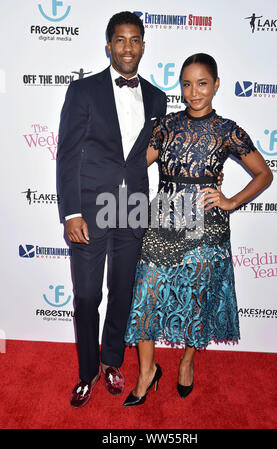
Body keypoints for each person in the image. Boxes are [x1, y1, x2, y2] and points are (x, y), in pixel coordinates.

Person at [123, 53, 273, 406]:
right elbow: (133, 165)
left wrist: (231, 201)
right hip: (162, 221)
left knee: (197, 299)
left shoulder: (228, 130)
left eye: (202, 83)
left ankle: (187, 360)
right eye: (187, 84)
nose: (194, 92)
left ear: (216, 84)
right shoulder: (166, 126)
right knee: (146, 295)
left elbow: (264, 174)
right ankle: (148, 371)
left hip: (206, 227)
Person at [56, 11, 167, 408]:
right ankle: (86, 372)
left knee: (121, 291)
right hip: (89, 207)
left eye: (134, 39)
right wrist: (71, 213)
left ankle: (112, 361)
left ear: (142, 45)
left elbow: (148, 154)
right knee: (87, 296)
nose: (127, 47)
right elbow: (67, 155)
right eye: (120, 40)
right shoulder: (83, 91)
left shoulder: (157, 97)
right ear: (108, 45)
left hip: (134, 205)